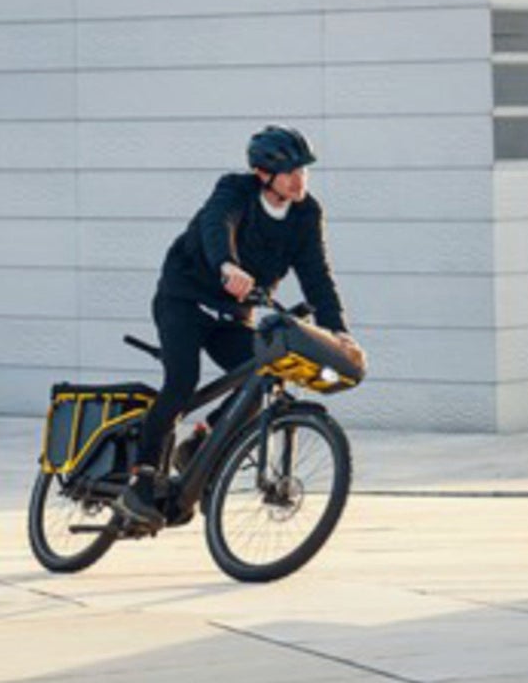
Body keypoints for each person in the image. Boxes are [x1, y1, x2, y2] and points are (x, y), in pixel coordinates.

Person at [117, 124, 357, 526]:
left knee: (264, 376)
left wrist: (338, 331)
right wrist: (227, 265)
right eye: (292, 172)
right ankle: (141, 476)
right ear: (264, 174)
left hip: (232, 315)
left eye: (305, 171)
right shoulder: (234, 190)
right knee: (181, 381)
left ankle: (200, 443)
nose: (301, 180)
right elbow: (218, 225)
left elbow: (317, 275)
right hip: (185, 299)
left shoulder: (306, 213)